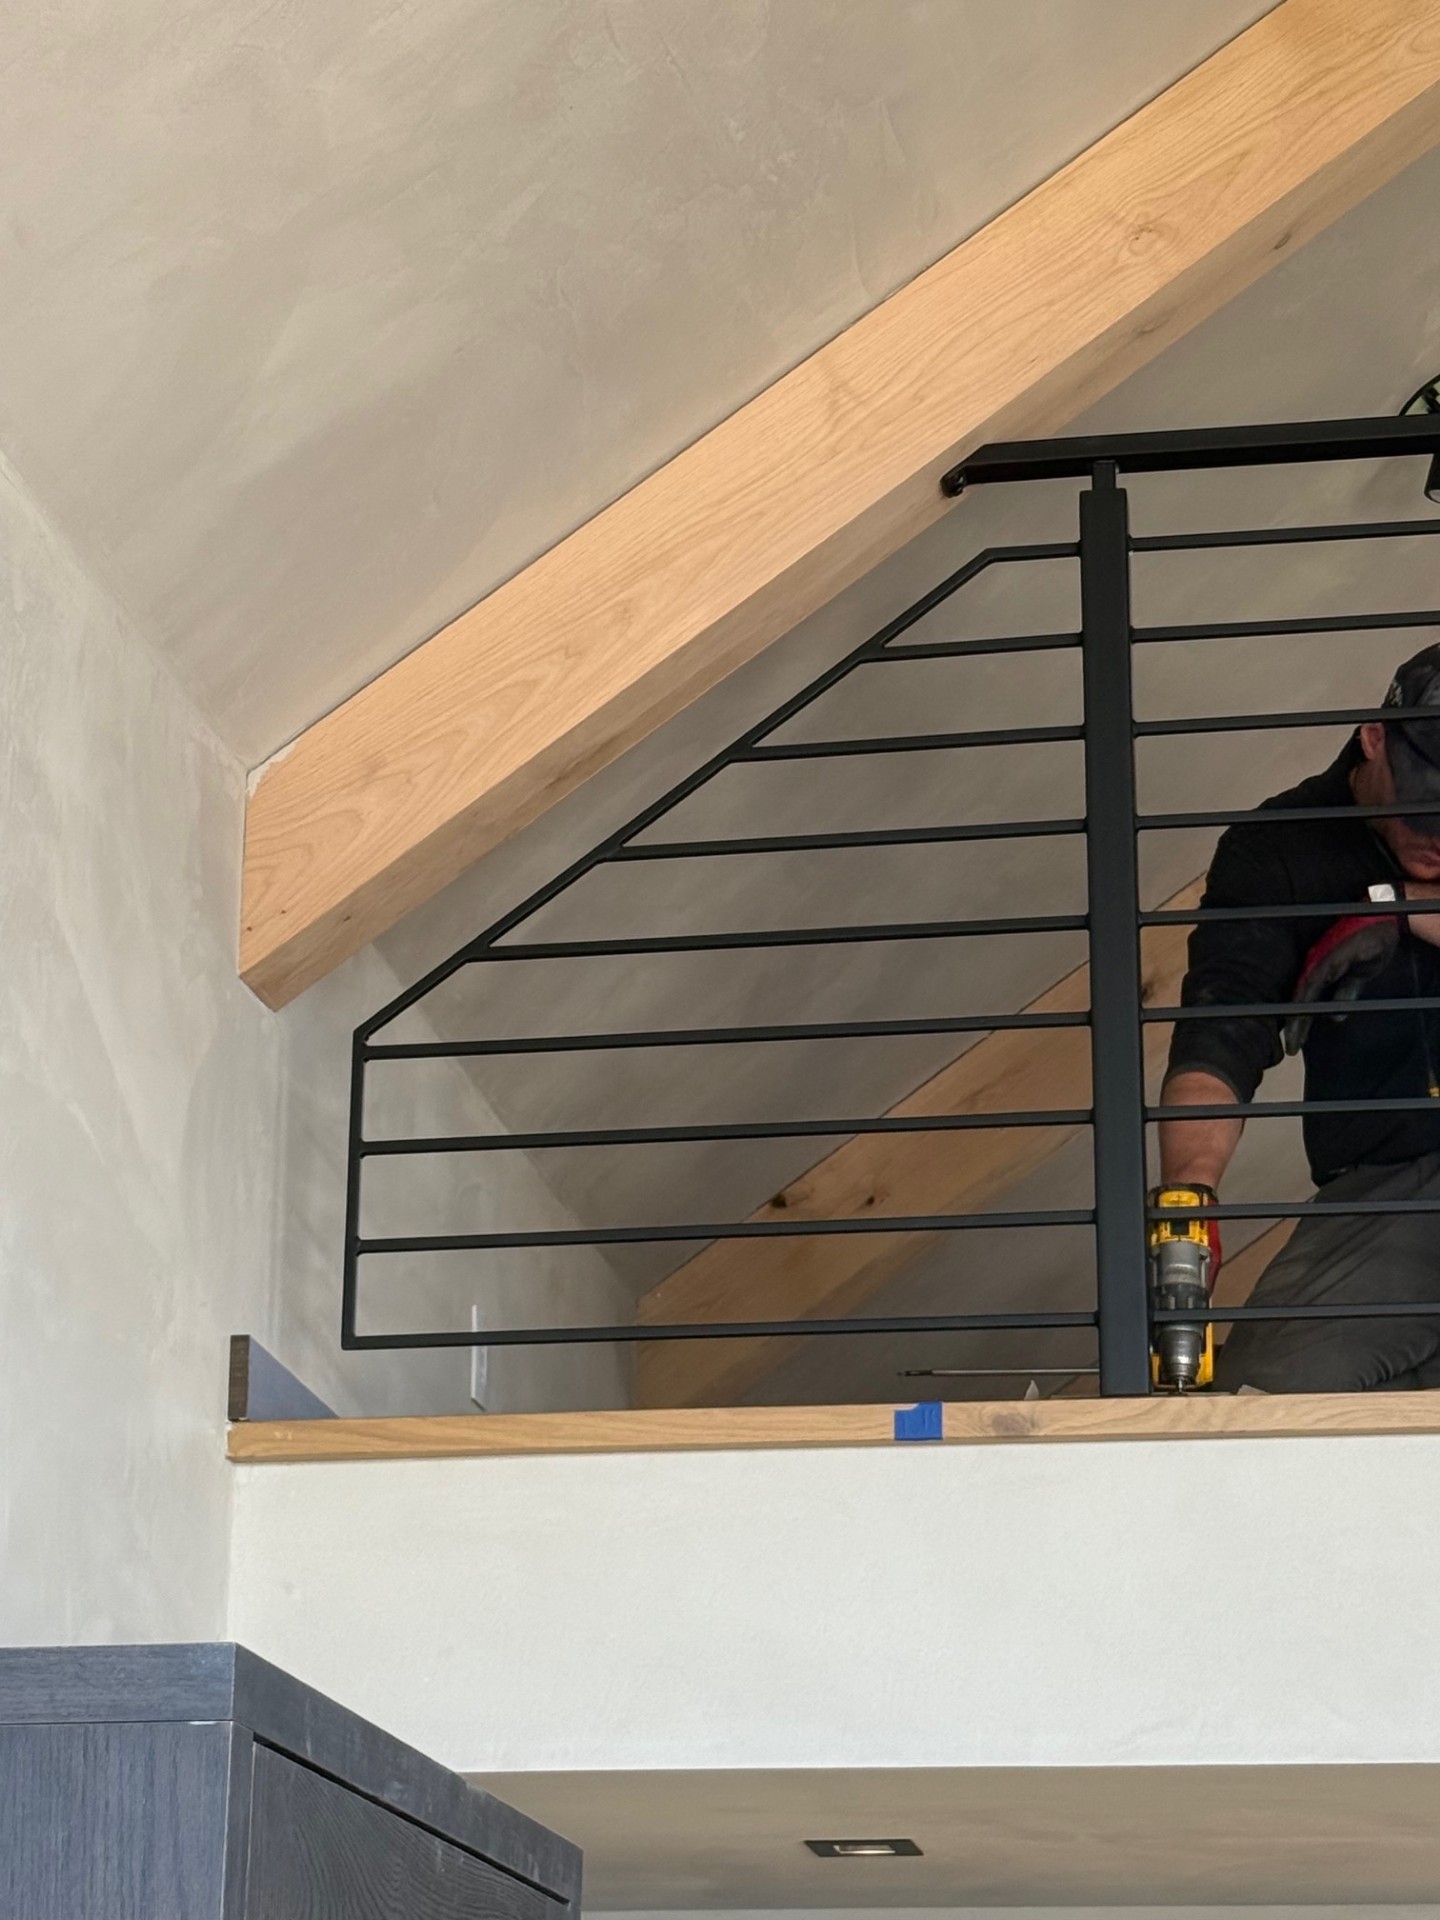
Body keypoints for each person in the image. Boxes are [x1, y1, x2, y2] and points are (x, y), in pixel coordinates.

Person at [1160, 642, 1440, 1392]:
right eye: (1423, 808)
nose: (1437, 838)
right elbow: (1224, 1025)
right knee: (1262, 1409)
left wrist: (1395, 910)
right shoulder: (1281, 847)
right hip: (1385, 1186)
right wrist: (1188, 1203)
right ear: (1375, 738)